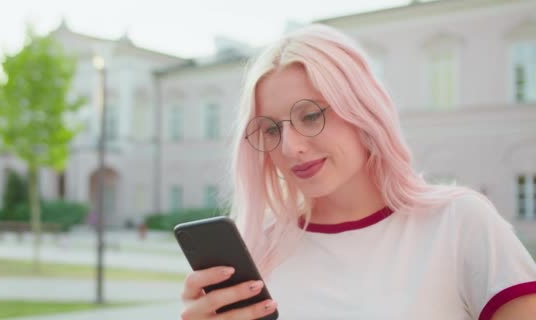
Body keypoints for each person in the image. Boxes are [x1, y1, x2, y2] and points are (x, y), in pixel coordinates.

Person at [180, 24, 536, 319]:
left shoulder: (458, 222)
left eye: (311, 115)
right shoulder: (258, 256)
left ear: (362, 109)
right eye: (271, 130)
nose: (290, 147)